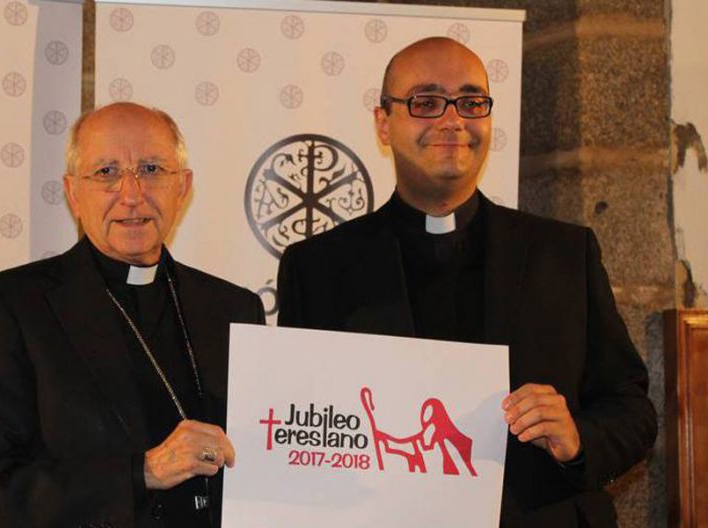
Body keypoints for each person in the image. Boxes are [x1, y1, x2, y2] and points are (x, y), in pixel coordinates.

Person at [277, 37, 656, 526]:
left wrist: (577, 437)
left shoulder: (563, 254)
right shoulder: (317, 267)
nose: (452, 120)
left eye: (471, 102)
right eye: (426, 102)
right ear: (383, 123)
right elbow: (298, 429)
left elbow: (634, 412)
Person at [0, 102, 265, 528]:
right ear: (73, 192)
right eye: (106, 173)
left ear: (182, 187)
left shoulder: (233, 308)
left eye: (152, 170)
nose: (132, 195)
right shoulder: (11, 306)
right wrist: (142, 472)